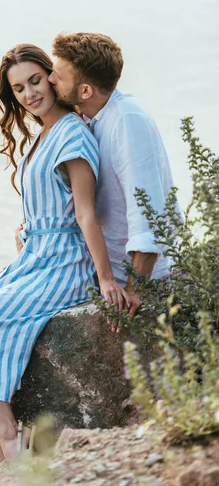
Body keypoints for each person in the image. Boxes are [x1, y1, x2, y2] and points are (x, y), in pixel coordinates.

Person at [0, 44, 129, 467]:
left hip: (65, 261)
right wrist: (29, 231)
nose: (30, 93)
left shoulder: (71, 133)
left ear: (52, 76)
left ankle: (12, 448)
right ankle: (4, 454)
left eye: (36, 80)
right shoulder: (43, 135)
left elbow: (87, 215)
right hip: (37, 255)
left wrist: (107, 279)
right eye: (19, 88)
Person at [49, 32, 175, 330]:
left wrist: (133, 292)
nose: (51, 79)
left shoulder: (127, 122)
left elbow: (148, 215)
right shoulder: (92, 116)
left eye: (59, 76)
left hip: (135, 279)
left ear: (86, 91)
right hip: (103, 271)